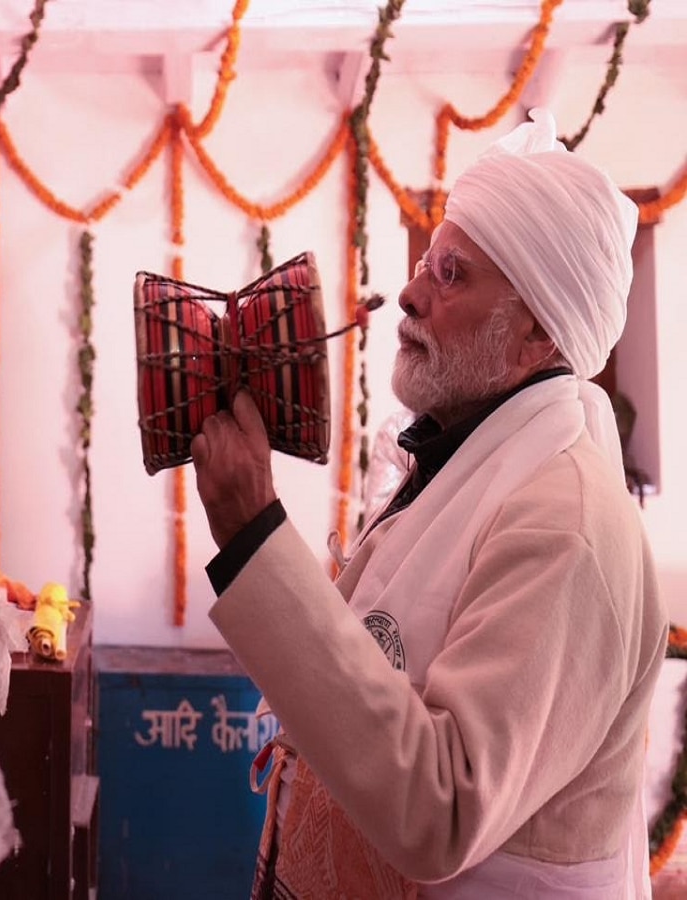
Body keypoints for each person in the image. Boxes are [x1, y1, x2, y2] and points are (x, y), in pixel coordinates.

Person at [191, 108, 667, 899]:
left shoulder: (566, 524)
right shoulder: (461, 463)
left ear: (538, 338)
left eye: (453, 275)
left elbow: (441, 809)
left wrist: (254, 536)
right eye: (427, 264)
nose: (410, 294)